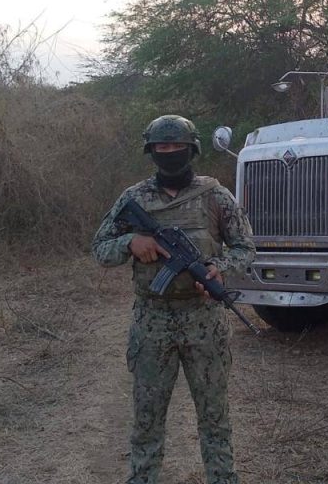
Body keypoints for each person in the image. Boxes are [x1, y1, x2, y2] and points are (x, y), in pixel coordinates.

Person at [92, 115, 255, 484]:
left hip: (204, 322)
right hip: (152, 322)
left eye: (176, 146)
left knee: (214, 416)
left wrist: (218, 268)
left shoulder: (215, 196)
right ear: (151, 151)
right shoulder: (134, 199)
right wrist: (131, 242)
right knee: (147, 418)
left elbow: (246, 248)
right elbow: (99, 248)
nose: (169, 153)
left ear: (191, 148)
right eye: (161, 147)